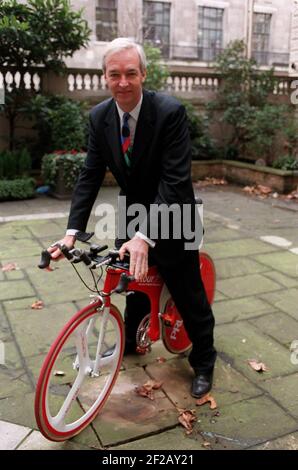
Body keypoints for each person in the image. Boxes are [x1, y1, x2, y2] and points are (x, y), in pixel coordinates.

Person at [48, 37, 216, 398]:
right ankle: (131, 342)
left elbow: (174, 181)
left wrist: (146, 235)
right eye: (114, 74)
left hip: (176, 212)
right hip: (133, 210)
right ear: (105, 77)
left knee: (188, 291)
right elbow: (90, 174)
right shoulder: (98, 117)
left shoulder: (170, 112)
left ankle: (204, 358)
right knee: (132, 286)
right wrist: (71, 233)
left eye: (130, 73)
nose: (122, 82)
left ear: (143, 74)